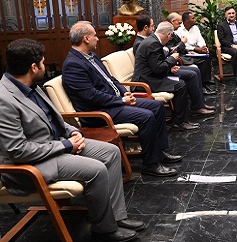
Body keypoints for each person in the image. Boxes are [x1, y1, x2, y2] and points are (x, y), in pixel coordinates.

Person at [0, 39, 145, 241]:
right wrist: (66, 145)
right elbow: (17, 150)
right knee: (96, 170)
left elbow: (54, 118)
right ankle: (104, 229)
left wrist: (71, 133)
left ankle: (116, 216)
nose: (45, 66)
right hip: (32, 164)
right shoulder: (4, 99)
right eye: (42, 63)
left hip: (56, 145)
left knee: (111, 152)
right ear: (33, 67)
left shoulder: (30, 85)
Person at [62, 21, 183, 177]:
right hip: (98, 112)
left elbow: (110, 79)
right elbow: (91, 96)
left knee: (156, 106)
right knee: (147, 117)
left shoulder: (91, 56)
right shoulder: (73, 64)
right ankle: (151, 163)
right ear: (86, 38)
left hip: (113, 103)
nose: (97, 39)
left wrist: (123, 93)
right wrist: (120, 101)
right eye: (94, 36)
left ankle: (159, 151)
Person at [132, 21, 214, 129]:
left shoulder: (153, 40)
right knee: (180, 85)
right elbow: (157, 68)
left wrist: (169, 68)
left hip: (152, 76)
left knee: (184, 80)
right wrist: (172, 59)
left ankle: (185, 116)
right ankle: (179, 122)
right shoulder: (153, 43)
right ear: (169, 35)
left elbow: (156, 64)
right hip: (146, 81)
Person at [166, 12, 216, 95]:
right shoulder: (172, 32)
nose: (180, 25)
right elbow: (173, 49)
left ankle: (204, 82)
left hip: (187, 52)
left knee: (206, 56)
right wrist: (188, 47)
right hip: (179, 56)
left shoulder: (192, 28)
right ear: (173, 21)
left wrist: (202, 47)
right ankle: (202, 85)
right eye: (179, 23)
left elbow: (199, 39)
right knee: (200, 61)